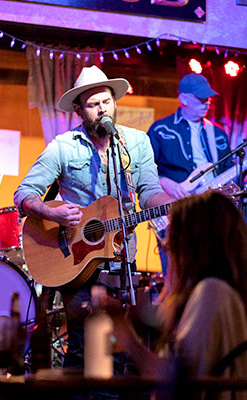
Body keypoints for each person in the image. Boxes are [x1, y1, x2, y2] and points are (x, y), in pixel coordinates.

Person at [14, 65, 172, 399]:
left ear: (115, 102)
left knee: (123, 348)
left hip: (121, 257)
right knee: (85, 346)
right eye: (92, 104)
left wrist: (172, 203)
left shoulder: (136, 143)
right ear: (78, 110)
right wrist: (48, 210)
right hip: (73, 259)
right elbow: (24, 194)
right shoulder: (63, 146)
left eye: (106, 101)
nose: (101, 109)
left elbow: (149, 191)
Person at [101, 191, 247, 400]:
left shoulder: (212, 291)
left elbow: (174, 380)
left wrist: (125, 334)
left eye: (174, 235)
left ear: (195, 242)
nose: (166, 244)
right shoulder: (218, 292)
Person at [147, 73, 233, 276]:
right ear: (183, 99)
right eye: (200, 98)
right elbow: (144, 172)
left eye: (208, 98)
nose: (207, 102)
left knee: (211, 272)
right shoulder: (160, 129)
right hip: (174, 210)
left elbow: (230, 170)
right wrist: (166, 182)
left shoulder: (218, 133)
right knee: (177, 273)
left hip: (210, 210)